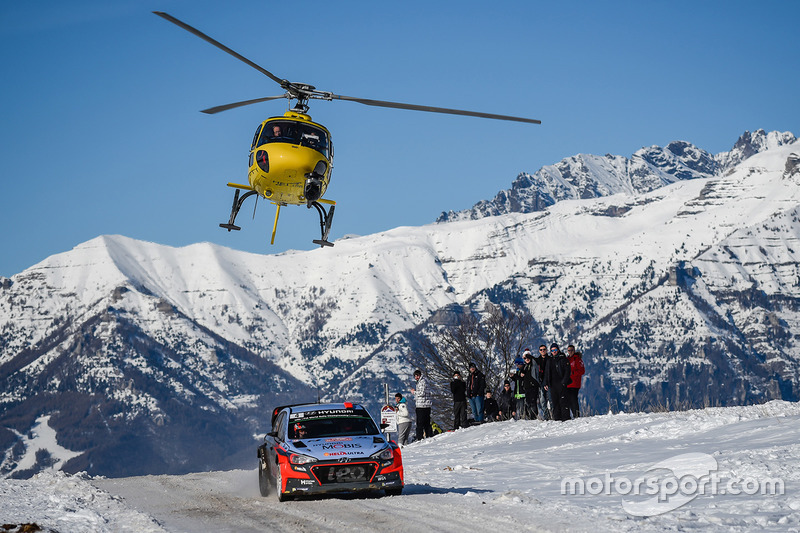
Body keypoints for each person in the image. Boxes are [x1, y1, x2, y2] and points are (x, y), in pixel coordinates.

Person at [544, 343, 571, 421]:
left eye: (555, 350)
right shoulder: (549, 360)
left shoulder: (563, 359)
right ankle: (557, 418)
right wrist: (546, 383)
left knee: (563, 401)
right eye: (552, 350)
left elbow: (567, 371)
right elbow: (547, 372)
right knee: (555, 402)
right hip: (552, 384)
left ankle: (566, 418)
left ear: (558, 350)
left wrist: (564, 382)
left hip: (561, 383)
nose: (554, 351)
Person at [410, 369, 433, 439]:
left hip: (422, 405)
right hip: (426, 404)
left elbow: (422, 393)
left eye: (417, 375)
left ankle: (419, 437)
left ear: (420, 375)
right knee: (426, 422)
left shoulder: (422, 382)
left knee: (420, 423)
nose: (416, 377)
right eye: (415, 376)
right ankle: (429, 435)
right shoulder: (424, 381)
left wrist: (414, 392)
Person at [566, 346, 585, 418]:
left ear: (574, 350)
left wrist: (572, 373)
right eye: (568, 350)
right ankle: (573, 414)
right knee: (569, 400)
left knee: (573, 399)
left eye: (571, 350)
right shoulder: (567, 359)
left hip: (575, 383)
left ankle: (577, 415)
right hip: (567, 384)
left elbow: (582, 371)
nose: (570, 352)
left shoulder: (578, 359)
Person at [534, 344, 552, 420]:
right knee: (542, 402)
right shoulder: (537, 360)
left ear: (546, 350)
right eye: (541, 350)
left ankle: (553, 416)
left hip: (550, 383)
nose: (542, 351)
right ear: (539, 351)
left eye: (544, 349)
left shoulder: (550, 359)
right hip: (541, 383)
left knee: (551, 401)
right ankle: (546, 417)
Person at [521, 348, 540, 419]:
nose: (527, 359)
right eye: (525, 358)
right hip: (527, 387)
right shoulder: (525, 366)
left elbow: (535, 361)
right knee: (528, 402)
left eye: (528, 358)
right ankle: (529, 416)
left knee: (533, 402)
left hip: (533, 386)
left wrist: (529, 356)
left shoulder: (533, 364)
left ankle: (534, 416)